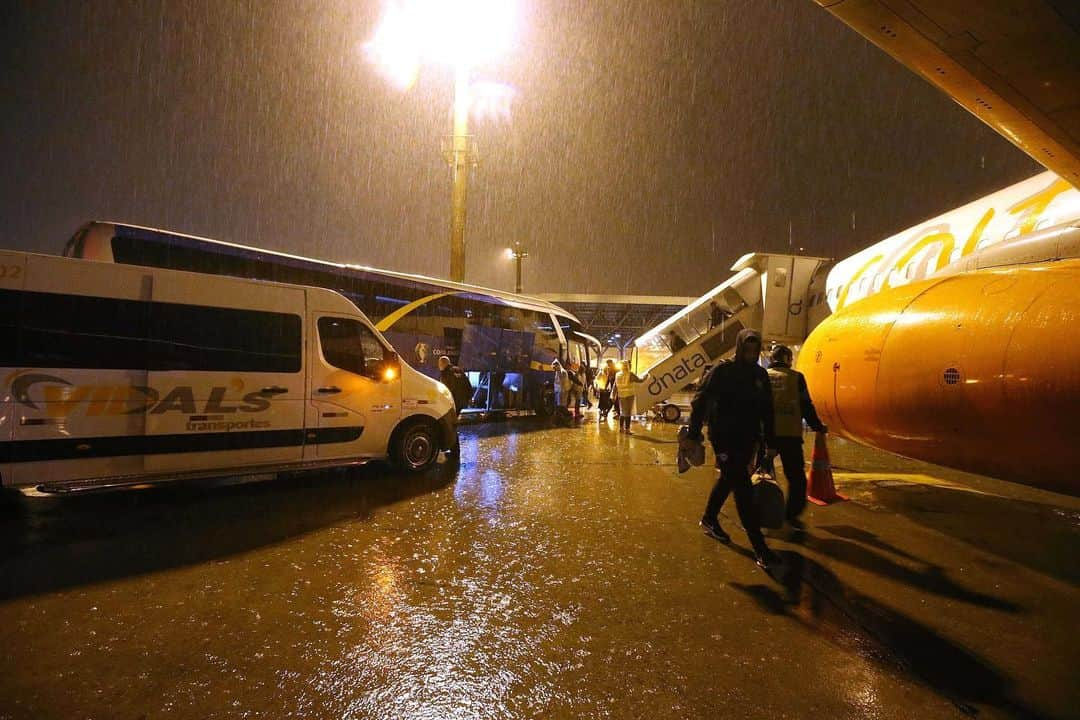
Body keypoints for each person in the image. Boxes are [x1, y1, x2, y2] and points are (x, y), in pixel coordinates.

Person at [685, 328, 780, 570]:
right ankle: (760, 547)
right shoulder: (723, 371)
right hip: (724, 439)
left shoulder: (760, 375)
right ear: (739, 348)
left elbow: (768, 411)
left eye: (754, 349)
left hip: (748, 439)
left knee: (729, 479)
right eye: (746, 349)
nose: (750, 353)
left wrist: (771, 441)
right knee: (743, 488)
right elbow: (700, 401)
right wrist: (694, 434)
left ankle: (709, 519)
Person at [765, 345, 827, 529]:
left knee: (757, 474)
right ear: (786, 358)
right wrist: (817, 427)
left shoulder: (762, 377)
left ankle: (754, 511)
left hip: (765, 436)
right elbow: (806, 405)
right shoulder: (796, 378)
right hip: (789, 435)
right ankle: (791, 515)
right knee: (796, 479)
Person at [614, 361, 644, 434]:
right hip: (629, 395)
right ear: (628, 366)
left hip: (621, 395)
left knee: (622, 412)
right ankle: (627, 429)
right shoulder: (630, 374)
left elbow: (615, 385)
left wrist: (614, 394)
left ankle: (621, 428)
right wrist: (646, 376)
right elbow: (640, 380)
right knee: (628, 413)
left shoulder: (617, 374)